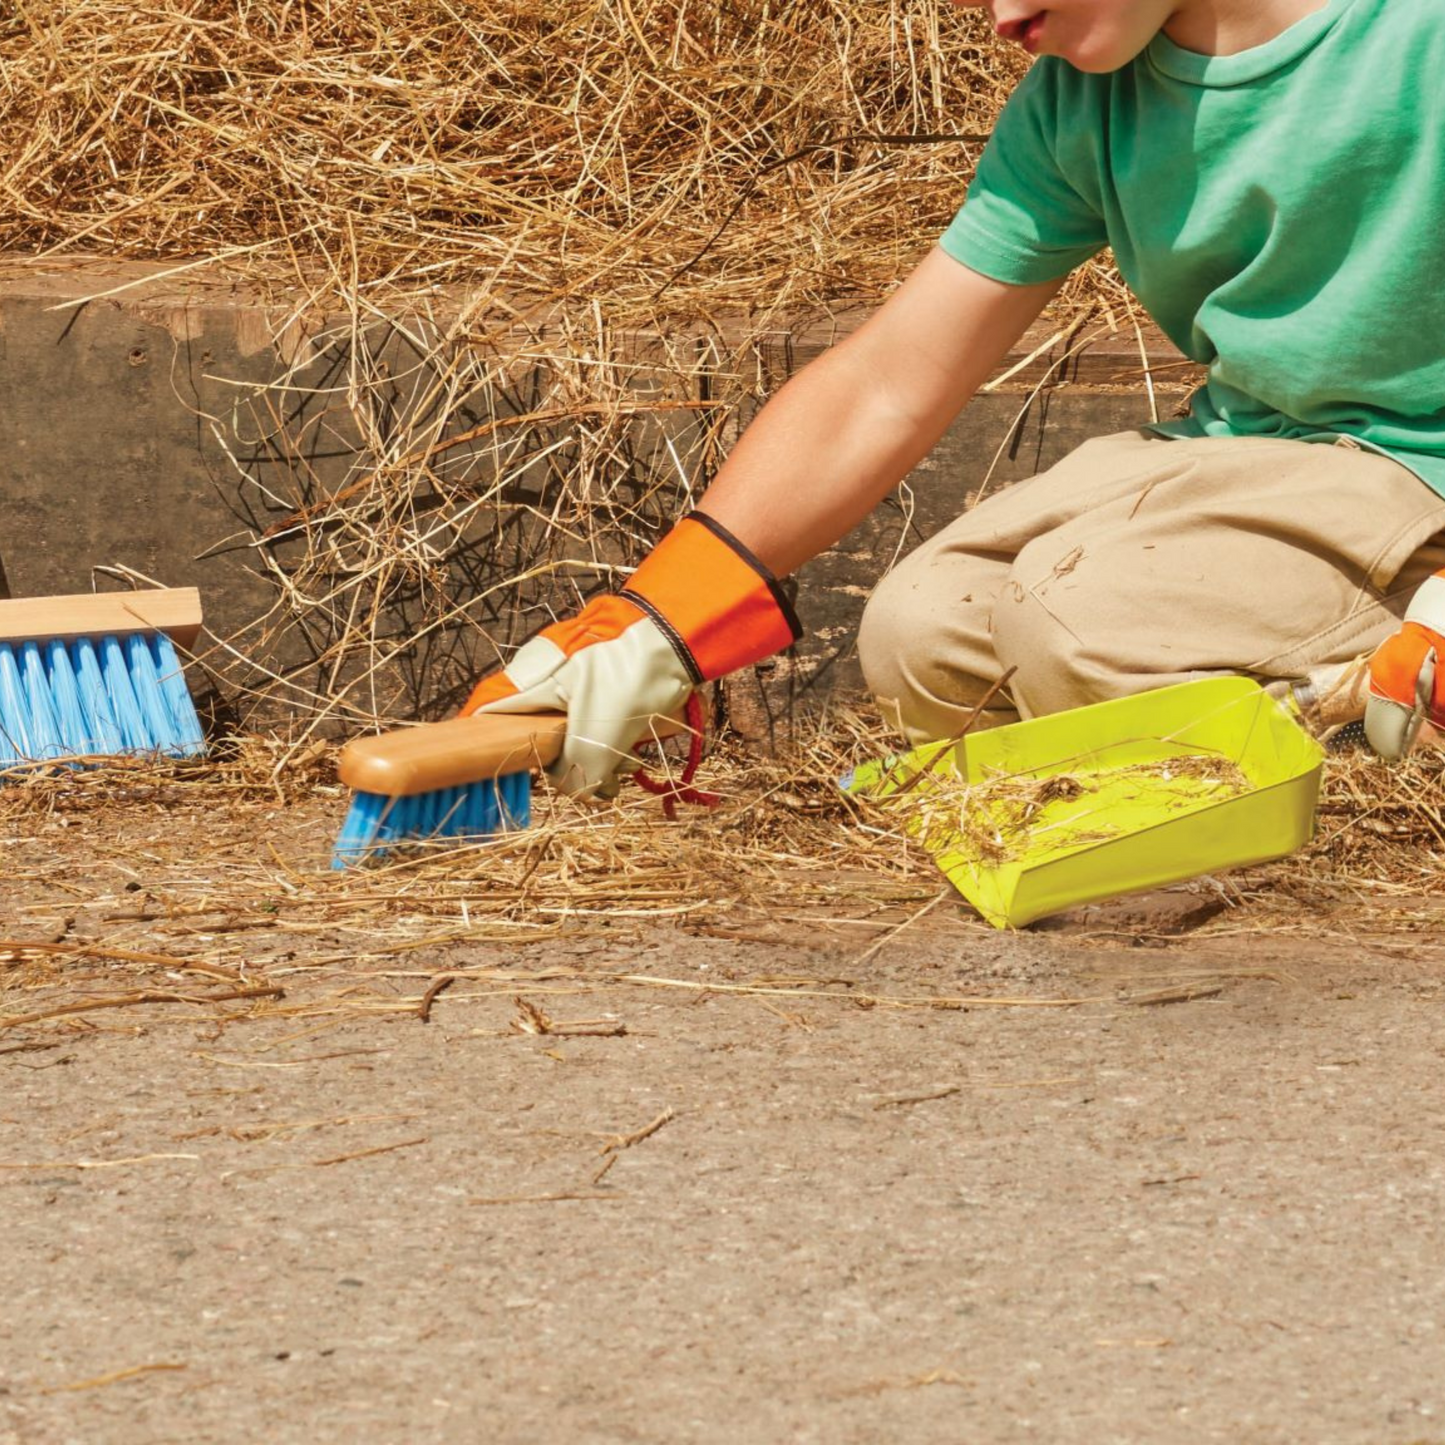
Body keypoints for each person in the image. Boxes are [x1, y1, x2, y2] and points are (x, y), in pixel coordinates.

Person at [464, 0, 1445, 795]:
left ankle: (1371, 717)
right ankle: (1284, 715)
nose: (997, 16)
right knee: (922, 632)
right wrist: (654, 622)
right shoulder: (1077, 103)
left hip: (1419, 485)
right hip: (1257, 460)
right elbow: (888, 379)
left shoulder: (1416, 38)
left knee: (1074, 629)